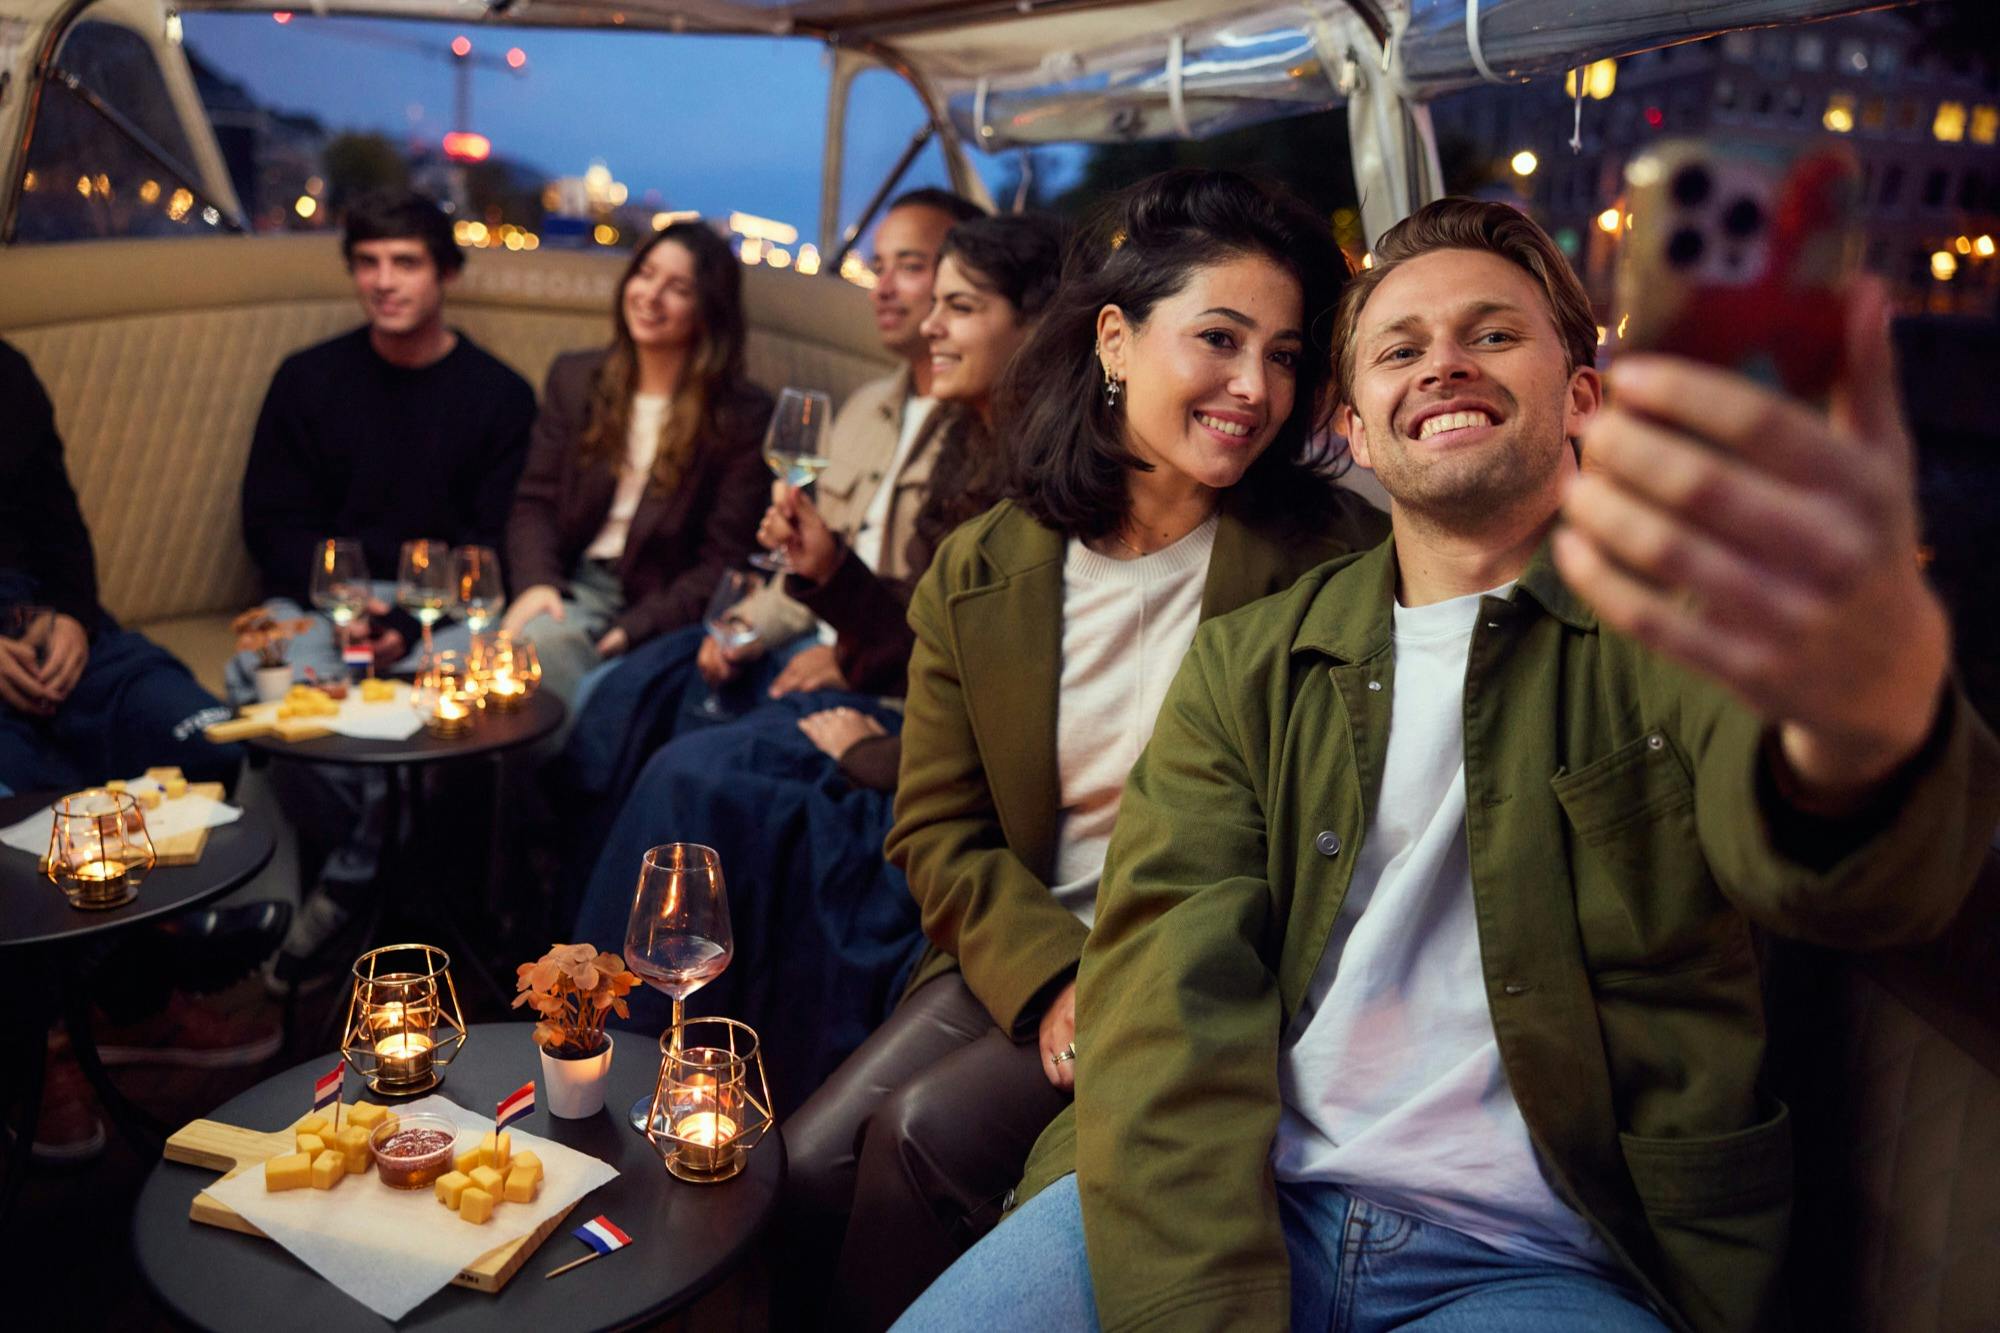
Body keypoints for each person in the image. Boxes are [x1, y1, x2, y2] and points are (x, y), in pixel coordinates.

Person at [898, 200, 2000, 1333]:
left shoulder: (1681, 618)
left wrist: (1846, 728)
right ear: (1358, 431)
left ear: (1582, 394)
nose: (1443, 365)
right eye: (1399, 348)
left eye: (1491, 334)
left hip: (1543, 1261)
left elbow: (1838, 848)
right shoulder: (1251, 661)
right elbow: (1170, 988)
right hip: (1218, 1199)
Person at [782, 169, 1392, 1331]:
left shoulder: (1335, 558)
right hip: (1024, 946)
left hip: (1192, 964)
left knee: (918, 1142)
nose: (1251, 387)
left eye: (1282, 355)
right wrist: (1055, 974)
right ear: (1115, 339)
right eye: (1216, 338)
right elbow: (936, 829)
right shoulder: (982, 566)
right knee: (805, 1162)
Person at [570, 213, 1068, 1120]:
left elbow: (992, 686)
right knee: (674, 728)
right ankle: (618, 1044)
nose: (930, 326)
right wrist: (828, 572)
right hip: (900, 700)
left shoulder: (1053, 477)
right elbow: (931, 636)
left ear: (1035, 324)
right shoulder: (966, 438)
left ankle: (643, 1066)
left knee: (701, 773)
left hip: (923, 735)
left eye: (956, 306)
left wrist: (876, 747)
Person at [562, 188, 984, 798]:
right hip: (798, 637)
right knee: (625, 706)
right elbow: (802, 563)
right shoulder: (866, 409)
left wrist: (846, 658)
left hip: (875, 673)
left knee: (679, 767)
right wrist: (744, 623)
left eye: (911, 268)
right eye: (879, 266)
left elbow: (936, 624)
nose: (884, 288)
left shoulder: (984, 438)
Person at [235, 190, 535, 987]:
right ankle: (357, 880)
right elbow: (270, 521)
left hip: (435, 613)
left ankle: (344, 890)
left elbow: (489, 541)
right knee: (261, 675)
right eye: (367, 263)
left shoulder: (499, 395)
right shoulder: (307, 380)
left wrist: (399, 621)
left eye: (405, 262)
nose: (384, 281)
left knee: (468, 688)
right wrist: (347, 611)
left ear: (447, 274)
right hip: (320, 601)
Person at [2, 338, 278, 1161]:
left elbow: (59, 527)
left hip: (45, 621)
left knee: (197, 728)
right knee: (45, 815)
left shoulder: (6, 371)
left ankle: (130, 997)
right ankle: (48, 1035)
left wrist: (76, 618)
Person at [498, 220, 775, 738]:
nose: (651, 295)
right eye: (645, 275)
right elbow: (534, 501)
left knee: (525, 682)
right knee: (439, 671)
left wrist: (628, 631)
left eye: (678, 288)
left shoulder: (741, 415)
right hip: (562, 586)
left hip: (651, 606)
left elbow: (724, 562)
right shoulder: (577, 377)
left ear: (708, 309)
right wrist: (536, 583)